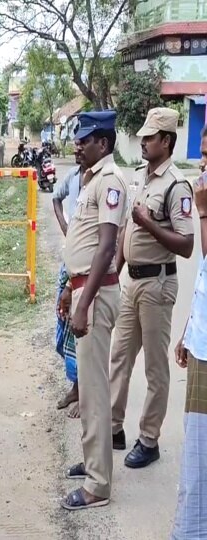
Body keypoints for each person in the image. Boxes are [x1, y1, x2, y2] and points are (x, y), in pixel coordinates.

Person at [110, 107, 194, 468]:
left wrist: (148, 222)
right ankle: (113, 427)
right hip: (131, 281)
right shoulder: (139, 177)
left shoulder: (177, 185)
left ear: (167, 141)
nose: (143, 142)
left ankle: (149, 438)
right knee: (119, 357)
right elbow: (127, 231)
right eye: (142, 137)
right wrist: (115, 271)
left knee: (156, 369)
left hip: (158, 285)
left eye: (149, 137)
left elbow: (187, 245)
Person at [57, 110, 127, 511]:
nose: (77, 144)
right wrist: (70, 286)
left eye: (85, 139)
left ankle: (99, 484)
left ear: (103, 143)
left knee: (95, 390)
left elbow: (105, 248)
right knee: (88, 383)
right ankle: (93, 461)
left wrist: (84, 302)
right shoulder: (90, 180)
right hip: (85, 289)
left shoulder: (110, 181)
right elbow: (83, 247)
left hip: (97, 297)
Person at [171, 125, 207, 540]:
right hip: (201, 342)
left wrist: (201, 210)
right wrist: (189, 327)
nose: (201, 163)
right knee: (197, 452)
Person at [53, 144, 84, 418]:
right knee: (65, 328)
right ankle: (75, 387)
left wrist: (71, 285)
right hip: (69, 263)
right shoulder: (73, 177)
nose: (78, 149)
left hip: (85, 272)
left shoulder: (104, 182)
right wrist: (65, 229)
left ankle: (84, 392)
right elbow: (56, 198)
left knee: (81, 331)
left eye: (82, 143)